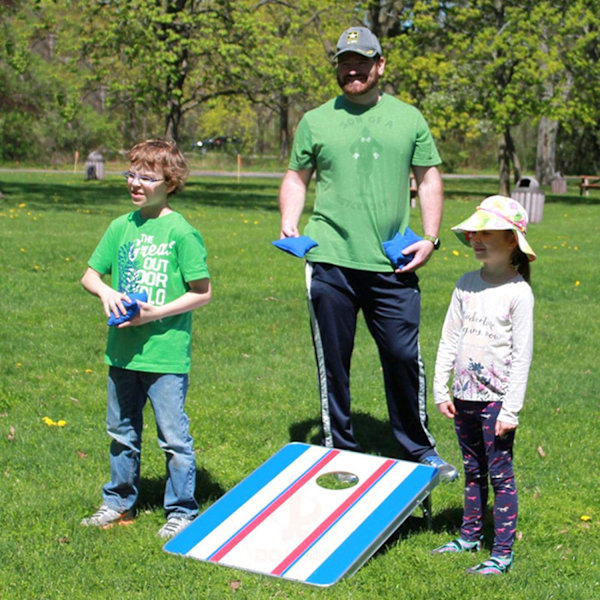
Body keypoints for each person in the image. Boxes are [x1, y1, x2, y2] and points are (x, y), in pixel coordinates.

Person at [278, 26, 457, 481]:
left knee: (402, 355)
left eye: (362, 61)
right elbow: (297, 177)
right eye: (344, 61)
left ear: (380, 65)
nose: (352, 68)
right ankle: (340, 448)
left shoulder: (409, 118)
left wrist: (431, 238)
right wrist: (289, 220)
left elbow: (429, 176)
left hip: (392, 261)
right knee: (333, 361)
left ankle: (418, 448)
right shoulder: (316, 120)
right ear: (337, 67)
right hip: (330, 257)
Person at [80, 139, 212, 539]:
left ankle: (182, 510)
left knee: (173, 438)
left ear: (170, 183)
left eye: (147, 177)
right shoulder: (121, 226)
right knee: (121, 433)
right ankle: (119, 502)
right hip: (121, 352)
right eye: (131, 174)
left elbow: (202, 291)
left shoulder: (182, 232)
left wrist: (155, 313)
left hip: (165, 354)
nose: (136, 183)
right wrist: (106, 292)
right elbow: (89, 275)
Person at [430, 195, 536, 575]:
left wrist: (510, 410)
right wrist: (442, 389)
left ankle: (502, 554)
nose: (475, 238)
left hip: (496, 404)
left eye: (486, 232)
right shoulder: (466, 284)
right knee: (472, 469)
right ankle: (469, 535)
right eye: (473, 232)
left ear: (511, 241)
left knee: (499, 474)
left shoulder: (518, 292)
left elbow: (522, 356)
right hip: (463, 398)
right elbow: (449, 338)